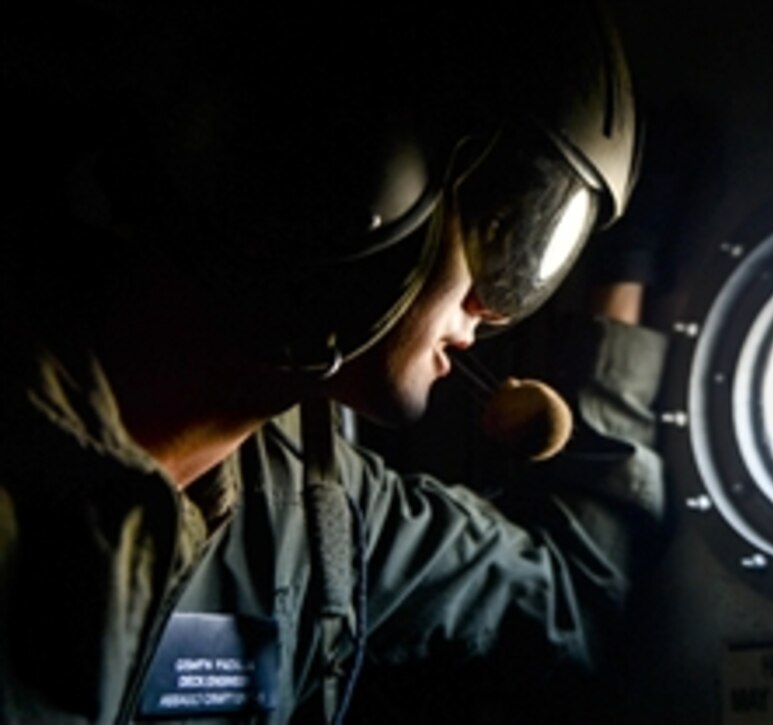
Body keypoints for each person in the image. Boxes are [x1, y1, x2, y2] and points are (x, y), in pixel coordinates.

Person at [0, 2, 670, 723]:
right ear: (358, 167)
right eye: (495, 237)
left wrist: (623, 282)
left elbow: (573, 606)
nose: (492, 307)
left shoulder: (323, 513)